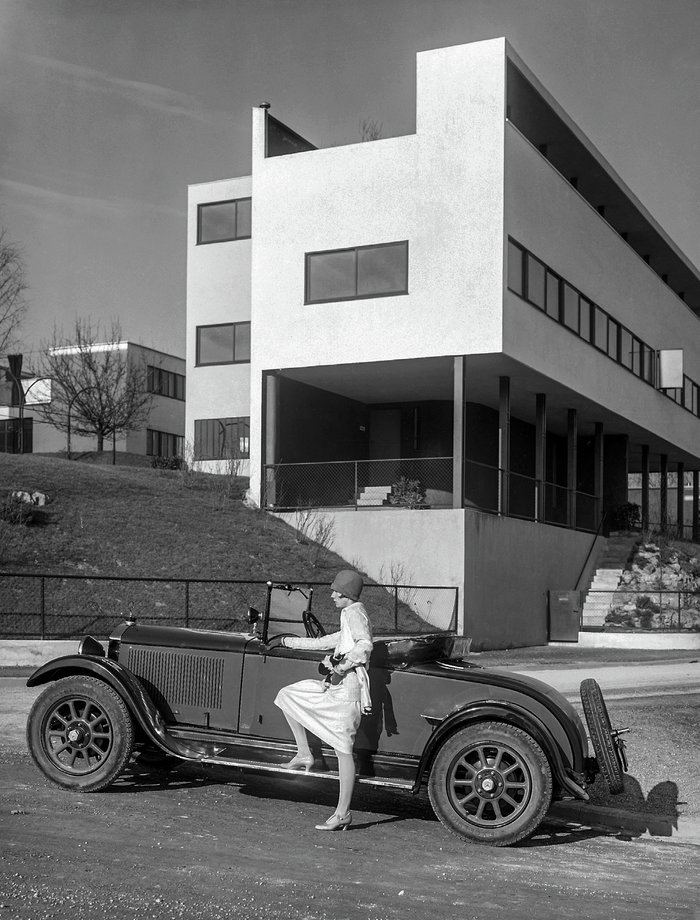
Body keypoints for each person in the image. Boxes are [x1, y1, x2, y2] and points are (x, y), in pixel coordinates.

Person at [273, 569, 373, 832]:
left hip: (348, 693)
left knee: (343, 750)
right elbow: (332, 640)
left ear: (346, 594)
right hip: (337, 689)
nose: (331, 596)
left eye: (335, 592)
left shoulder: (355, 613)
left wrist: (341, 667)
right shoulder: (349, 613)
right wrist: (290, 642)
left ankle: (342, 813)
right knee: (289, 695)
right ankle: (305, 753)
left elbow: (364, 645)